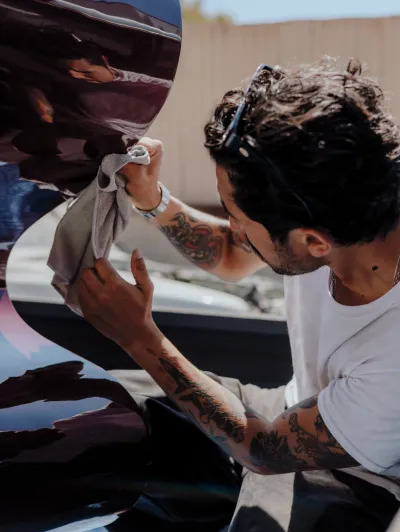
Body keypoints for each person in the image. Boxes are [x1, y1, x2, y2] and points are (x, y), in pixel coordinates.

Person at [77, 59, 400, 531]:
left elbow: (266, 450)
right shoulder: (342, 203)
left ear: (313, 241)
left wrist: (141, 338)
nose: (232, 228)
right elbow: (232, 255)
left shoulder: (393, 357)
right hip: (288, 409)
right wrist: (153, 199)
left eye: (238, 217)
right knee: (103, 409)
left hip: (363, 480)